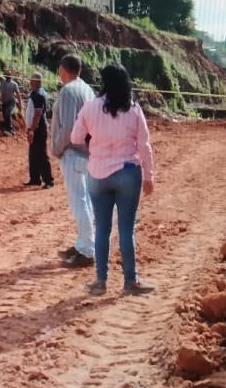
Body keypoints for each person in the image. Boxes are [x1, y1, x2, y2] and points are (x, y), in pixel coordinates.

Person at [70, 63, 155, 296]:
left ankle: (100, 281)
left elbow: (75, 137)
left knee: (102, 229)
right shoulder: (135, 109)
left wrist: (93, 136)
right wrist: (149, 175)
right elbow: (144, 146)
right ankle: (130, 281)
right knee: (126, 229)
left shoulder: (91, 107)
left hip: (98, 173)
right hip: (128, 172)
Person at [51, 54, 96, 267]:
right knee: (86, 200)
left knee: (79, 202)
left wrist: (57, 148)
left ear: (63, 70)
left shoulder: (68, 91)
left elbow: (68, 127)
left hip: (73, 152)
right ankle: (84, 244)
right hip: (88, 153)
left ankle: (87, 250)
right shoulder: (88, 90)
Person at [24, 72, 55, 188]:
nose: (30, 83)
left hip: (38, 129)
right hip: (35, 128)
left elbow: (37, 113)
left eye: (31, 81)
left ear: (36, 82)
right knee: (33, 154)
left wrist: (32, 130)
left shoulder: (38, 95)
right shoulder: (36, 93)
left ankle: (49, 180)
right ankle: (35, 178)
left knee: (41, 154)